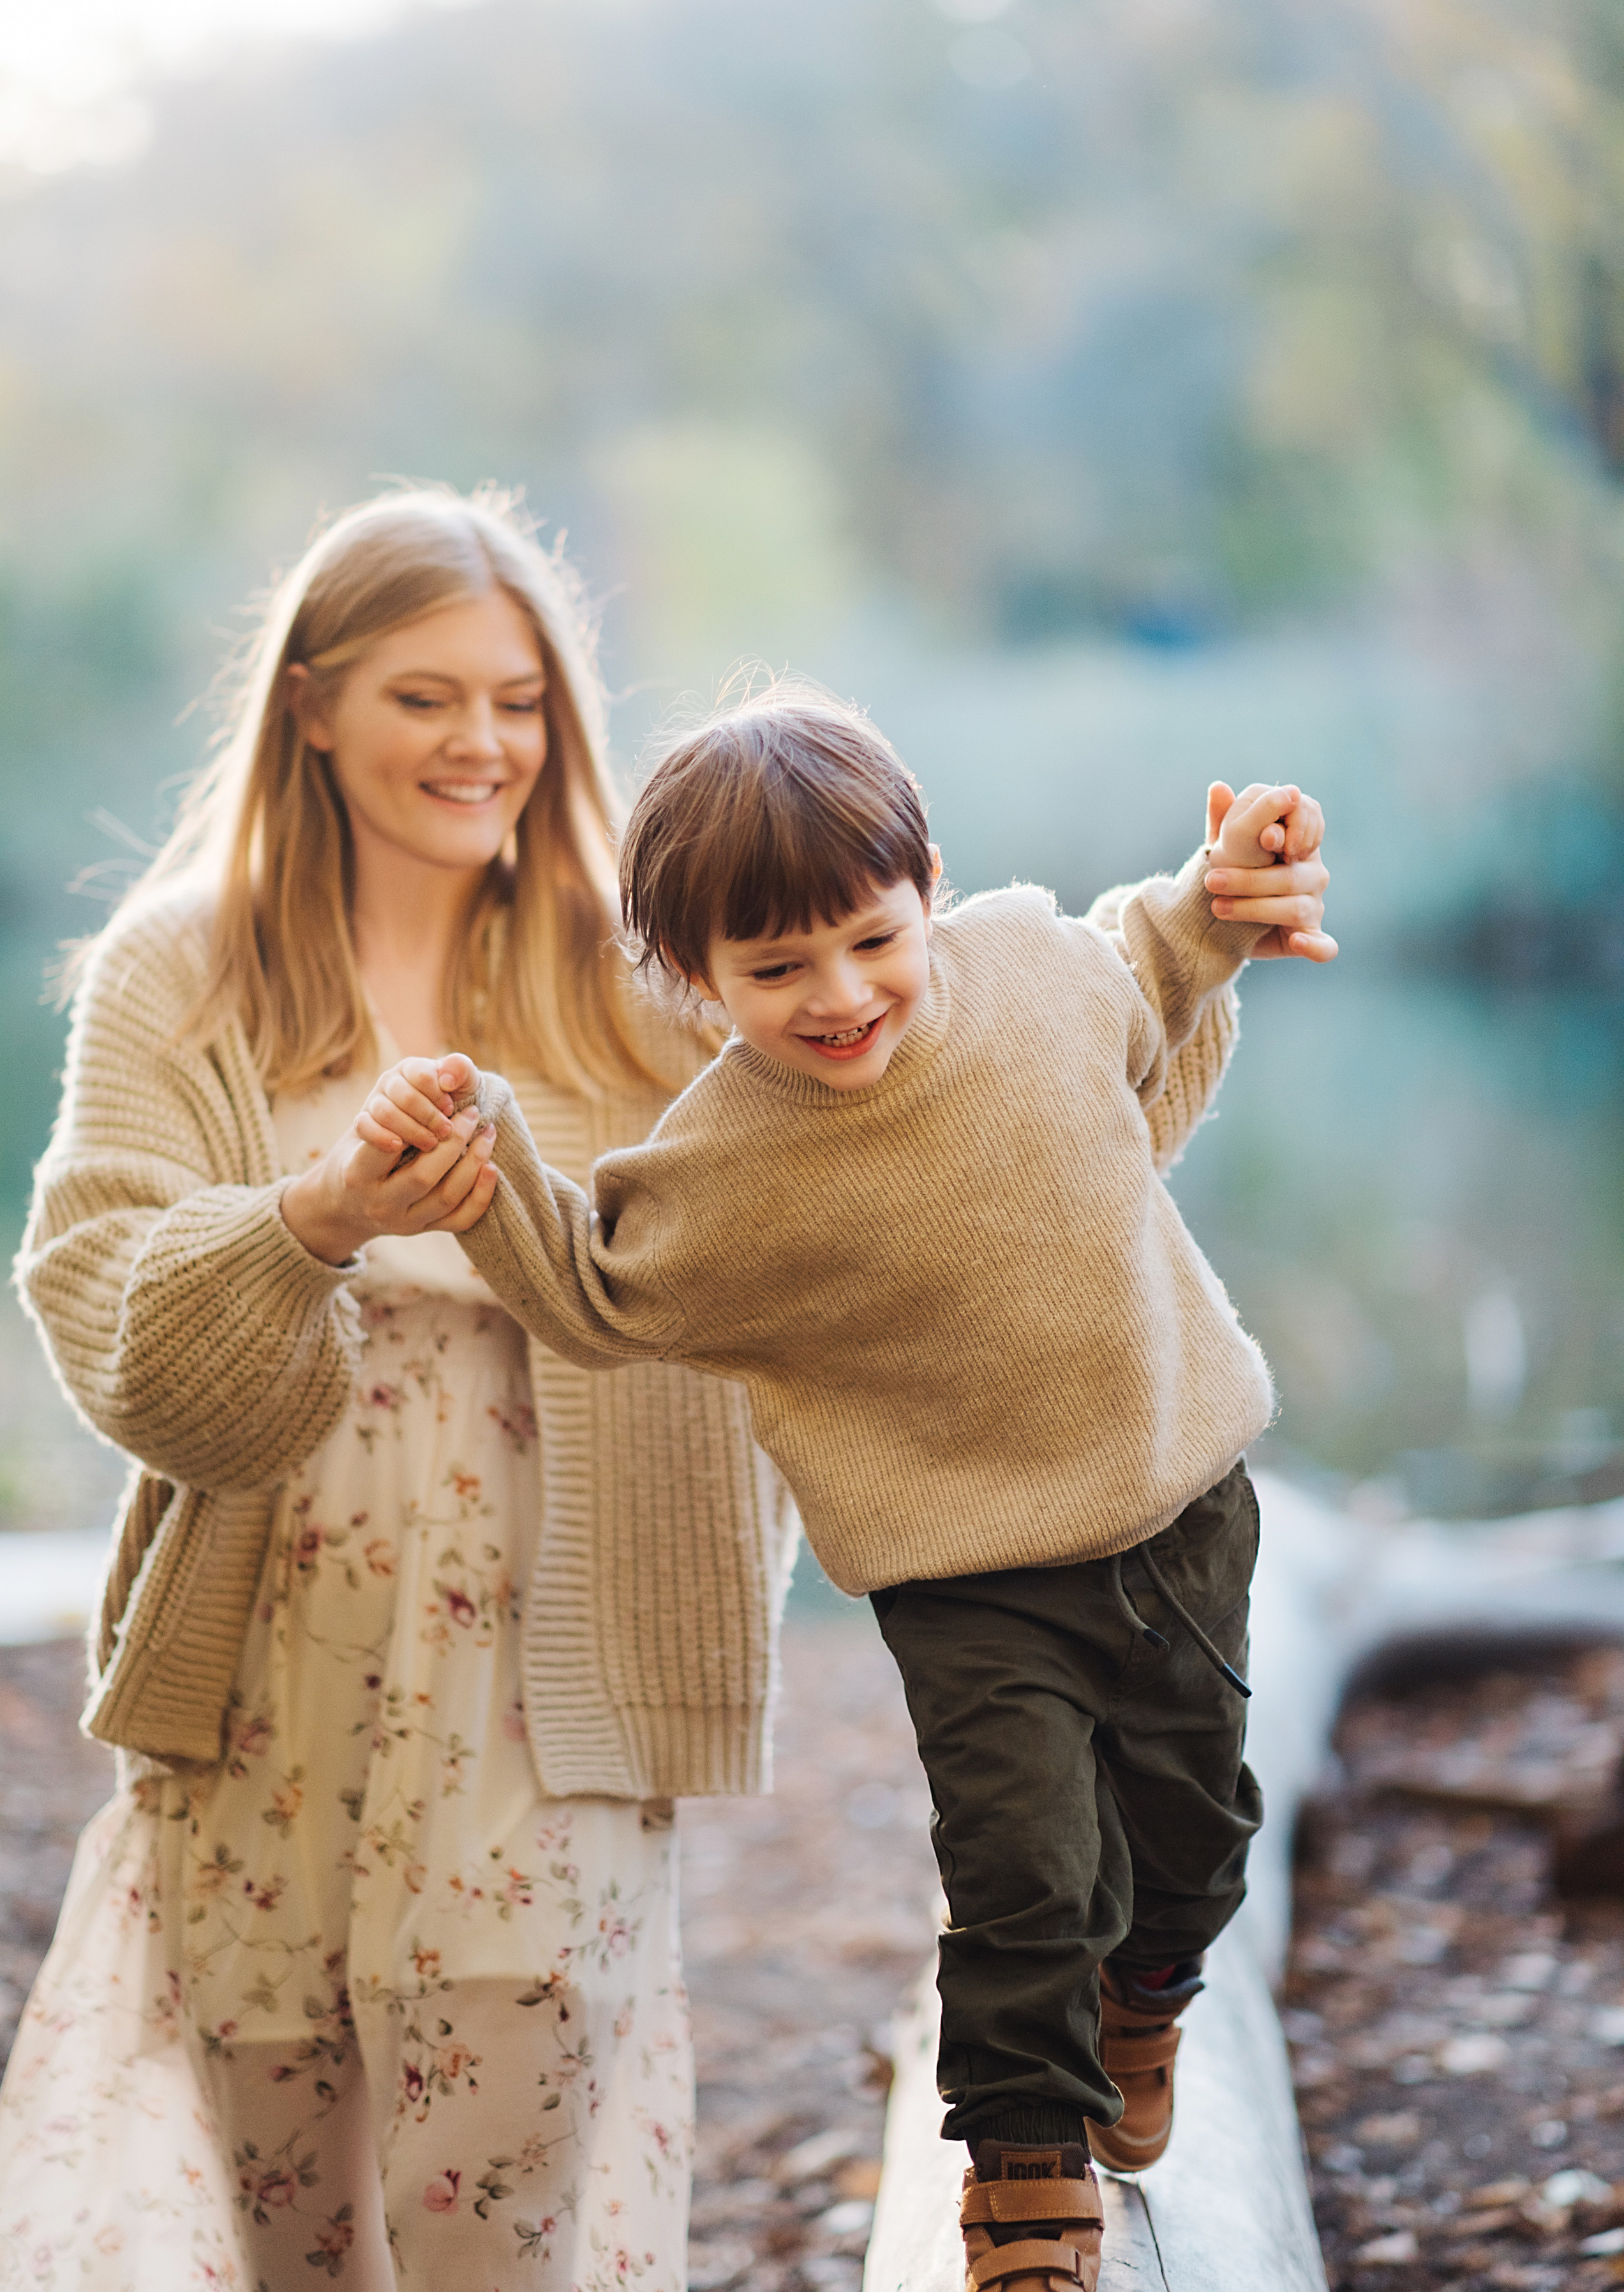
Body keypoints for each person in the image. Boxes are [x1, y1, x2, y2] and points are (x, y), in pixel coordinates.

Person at [350, 691, 1335, 2292]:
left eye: (870, 938)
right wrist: (487, 1157)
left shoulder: (1028, 966)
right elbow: (596, 1290)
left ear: (928, 885)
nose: (838, 996)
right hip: (967, 1577)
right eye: (773, 970)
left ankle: (1147, 1991)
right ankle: (1023, 2172)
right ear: (695, 978)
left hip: (1179, 1509)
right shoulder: (727, 1163)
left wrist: (1224, 878)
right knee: (1020, 1871)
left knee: (1193, 1834)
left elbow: (1149, 961)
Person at [0, 488, 805, 2292]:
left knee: (494, 2191)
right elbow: (106, 1306)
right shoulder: (179, 969)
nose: (486, 742)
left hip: (558, 1647)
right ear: (311, 702)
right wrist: (312, 1220)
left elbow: (865, 1113)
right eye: (429, 696)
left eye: (520, 700)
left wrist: (1175, 952)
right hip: (262, 1657)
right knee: (294, 2220)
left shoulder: (638, 969)